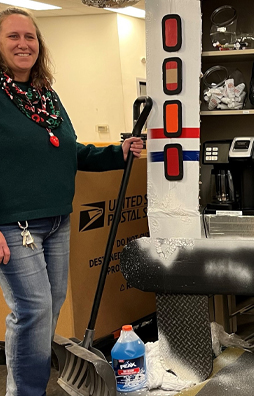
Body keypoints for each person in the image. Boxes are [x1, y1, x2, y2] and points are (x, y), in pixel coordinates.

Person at [0, 7, 143, 395]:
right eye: (13, 36)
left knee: (50, 307)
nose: (23, 44)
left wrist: (118, 152)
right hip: (13, 224)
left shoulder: (45, 96)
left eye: (30, 37)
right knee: (34, 311)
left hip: (56, 220)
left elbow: (68, 151)